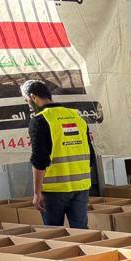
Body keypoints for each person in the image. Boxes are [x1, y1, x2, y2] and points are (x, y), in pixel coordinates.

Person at [22, 79, 92, 229]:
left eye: (27, 100)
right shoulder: (76, 116)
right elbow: (90, 155)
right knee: (82, 233)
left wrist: (37, 193)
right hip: (81, 187)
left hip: (54, 191)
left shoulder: (40, 120)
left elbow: (39, 160)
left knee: (54, 234)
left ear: (33, 97)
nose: (28, 104)